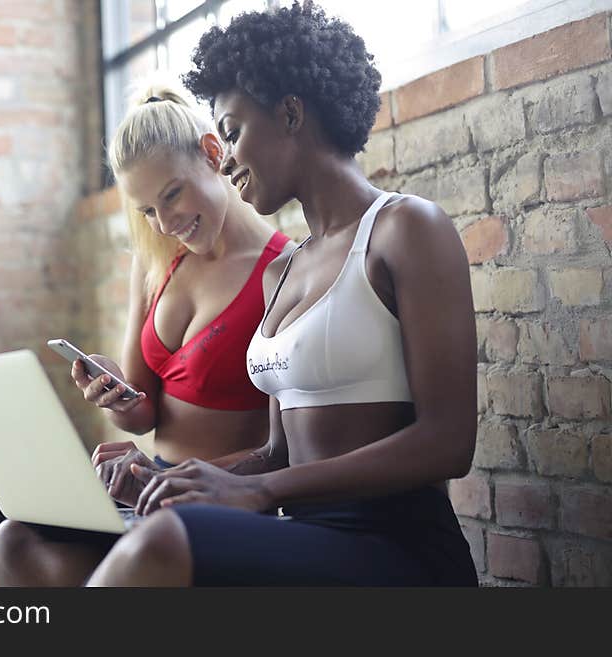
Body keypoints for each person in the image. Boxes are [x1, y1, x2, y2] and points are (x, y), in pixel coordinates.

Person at [75, 0, 479, 586]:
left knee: (163, 540)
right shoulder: (282, 273)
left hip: (396, 545)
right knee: (38, 543)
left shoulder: (406, 229)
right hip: (301, 532)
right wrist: (178, 477)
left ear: (291, 113)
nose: (228, 159)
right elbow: (276, 451)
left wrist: (261, 489)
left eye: (233, 132)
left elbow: (448, 444)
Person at [0, 80, 290, 584]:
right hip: (143, 483)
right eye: (149, 210)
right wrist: (117, 395)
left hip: (206, 498)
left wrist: (166, 479)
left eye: (172, 194)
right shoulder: (158, 262)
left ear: (213, 153)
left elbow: (282, 450)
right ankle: (4, 558)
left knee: (10, 538)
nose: (166, 223)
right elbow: (142, 411)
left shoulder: (281, 272)